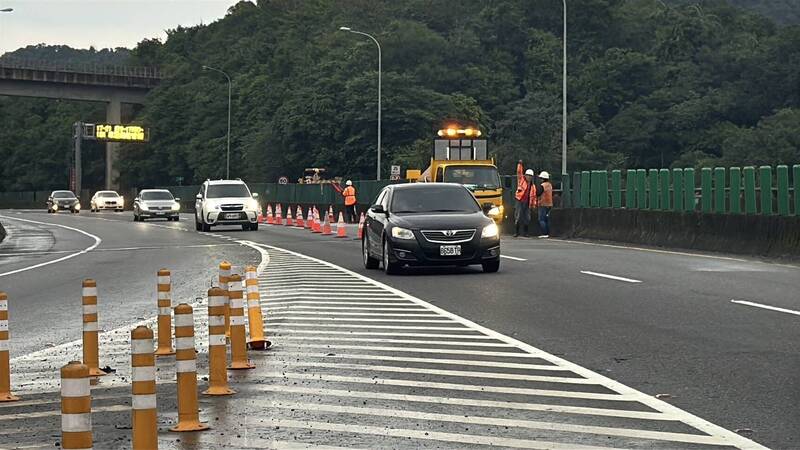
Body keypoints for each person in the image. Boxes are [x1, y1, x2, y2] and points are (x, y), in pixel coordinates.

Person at [513, 161, 537, 237]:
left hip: (527, 203)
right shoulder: (521, 180)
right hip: (519, 201)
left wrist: (533, 205)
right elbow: (519, 172)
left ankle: (526, 232)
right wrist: (520, 164)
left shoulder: (533, 187)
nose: (529, 177)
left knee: (527, 217)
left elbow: (533, 197)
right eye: (528, 175)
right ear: (525, 175)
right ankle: (516, 232)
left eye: (530, 176)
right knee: (518, 216)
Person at [536, 171, 553, 238]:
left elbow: (538, 193)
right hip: (549, 204)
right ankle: (548, 233)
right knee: (547, 219)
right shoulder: (550, 185)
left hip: (543, 204)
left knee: (541, 219)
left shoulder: (542, 186)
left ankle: (544, 233)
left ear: (543, 178)